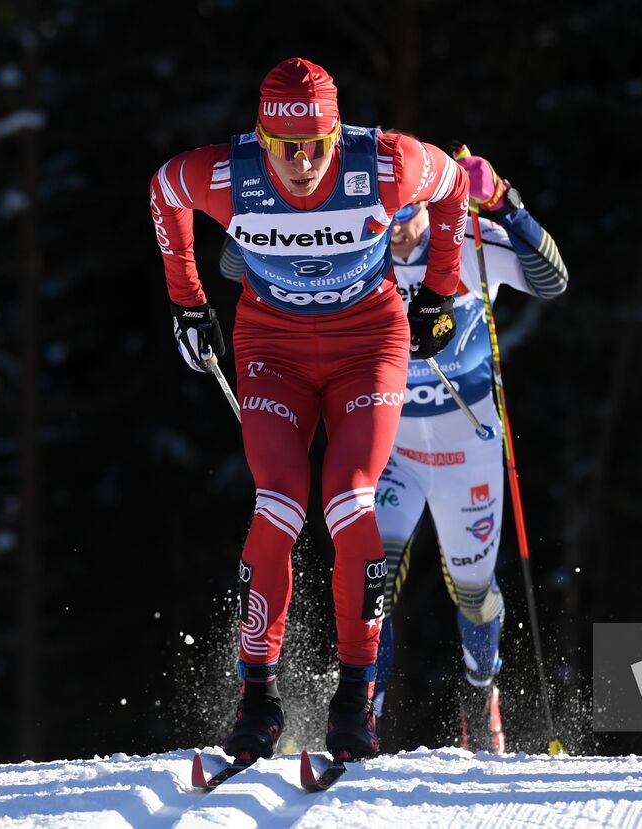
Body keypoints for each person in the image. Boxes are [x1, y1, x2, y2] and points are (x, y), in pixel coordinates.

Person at [148, 57, 468, 765]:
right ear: (261, 137)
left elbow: (455, 185)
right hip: (273, 348)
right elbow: (163, 189)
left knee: (351, 497)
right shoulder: (227, 176)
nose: (300, 163)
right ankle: (257, 700)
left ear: (336, 134)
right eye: (285, 146)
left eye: (317, 145)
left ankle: (354, 700)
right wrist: (186, 300)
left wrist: (440, 290)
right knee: (280, 503)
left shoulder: (384, 164)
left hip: (369, 344)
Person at [217, 142, 568, 752]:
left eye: (410, 216)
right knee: (373, 573)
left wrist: (507, 204)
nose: (398, 232)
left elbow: (553, 279)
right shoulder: (357, 238)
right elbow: (236, 263)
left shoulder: (470, 240)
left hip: (470, 450)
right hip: (394, 445)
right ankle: (362, 713)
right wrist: (269, 204)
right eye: (390, 215)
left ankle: (480, 691)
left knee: (475, 594)